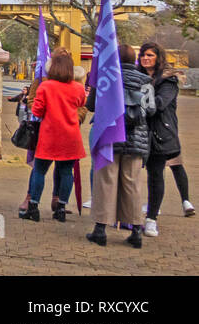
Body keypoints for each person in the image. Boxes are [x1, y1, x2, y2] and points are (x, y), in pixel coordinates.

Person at [86, 43, 151, 248]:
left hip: (109, 137)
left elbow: (90, 105)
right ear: (135, 59)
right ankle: (136, 231)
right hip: (136, 140)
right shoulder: (146, 81)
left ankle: (100, 229)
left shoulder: (106, 78)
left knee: (106, 181)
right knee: (132, 183)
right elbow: (150, 109)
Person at [20, 48, 84, 223]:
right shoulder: (78, 88)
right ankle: (61, 208)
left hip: (49, 135)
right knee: (66, 172)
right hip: (71, 135)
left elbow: (37, 110)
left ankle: (33, 206)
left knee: (40, 170)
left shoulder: (46, 86)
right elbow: (81, 104)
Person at [139, 41, 193, 236]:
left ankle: (151, 218)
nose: (146, 58)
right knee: (146, 174)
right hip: (142, 132)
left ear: (158, 57)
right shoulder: (140, 77)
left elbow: (159, 104)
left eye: (150, 55)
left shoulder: (168, 81)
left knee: (157, 174)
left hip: (162, 133)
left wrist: (137, 104)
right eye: (143, 55)